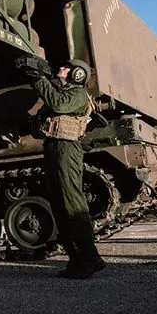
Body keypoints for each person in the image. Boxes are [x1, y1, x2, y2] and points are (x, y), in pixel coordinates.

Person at [26, 57, 106, 279]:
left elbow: (58, 104)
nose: (61, 68)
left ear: (77, 74)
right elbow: (42, 122)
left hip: (67, 149)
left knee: (72, 204)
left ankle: (90, 258)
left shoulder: (77, 94)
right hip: (54, 148)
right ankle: (77, 261)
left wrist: (38, 79)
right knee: (61, 206)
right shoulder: (60, 94)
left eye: (66, 67)